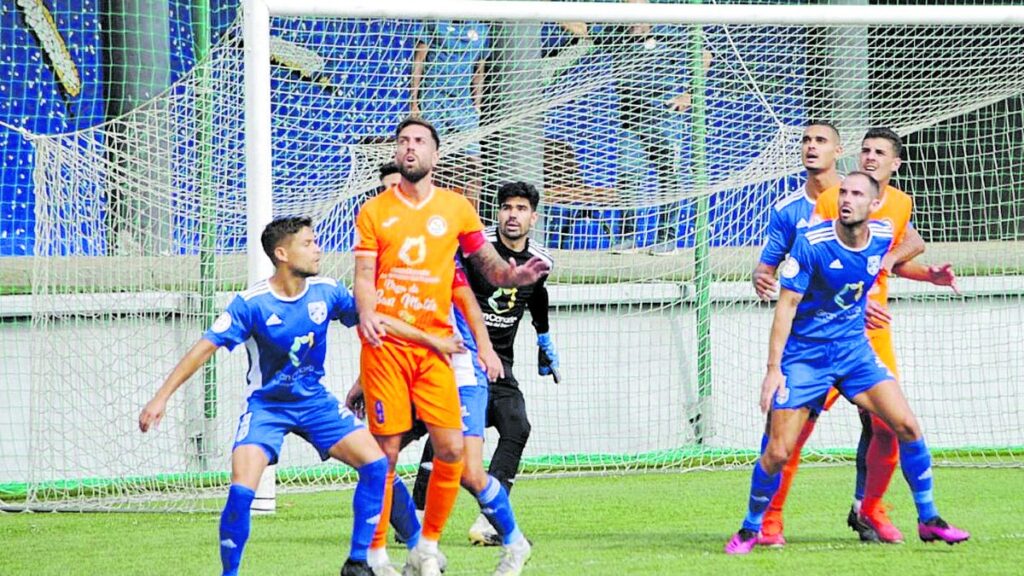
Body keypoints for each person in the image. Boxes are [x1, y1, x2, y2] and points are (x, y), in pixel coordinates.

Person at [137, 216, 463, 576]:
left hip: (315, 403)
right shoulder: (251, 304)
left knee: (376, 465)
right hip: (267, 407)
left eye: (315, 241)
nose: (317, 249)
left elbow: (377, 320)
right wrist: (160, 398)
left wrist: (432, 340)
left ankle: (374, 558)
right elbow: (203, 348)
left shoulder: (328, 291)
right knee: (241, 492)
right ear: (282, 253)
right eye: (308, 243)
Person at [725, 171, 970, 555]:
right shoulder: (810, 244)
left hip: (854, 352)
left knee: (905, 425)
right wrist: (773, 370)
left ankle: (928, 518)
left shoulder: (882, 237)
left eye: (857, 194)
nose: (847, 199)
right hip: (806, 356)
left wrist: (928, 276)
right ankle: (750, 527)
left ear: (874, 206)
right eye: (844, 192)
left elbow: (905, 250)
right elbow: (786, 307)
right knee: (777, 451)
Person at [353, 117, 549, 576]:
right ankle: (394, 550)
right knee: (384, 455)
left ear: (435, 155)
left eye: (418, 141)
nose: (409, 148)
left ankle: (489, 540)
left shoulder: (455, 223)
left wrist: (488, 344)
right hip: (393, 353)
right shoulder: (376, 216)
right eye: (402, 142)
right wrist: (361, 370)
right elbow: (366, 286)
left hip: (452, 360)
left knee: (462, 461)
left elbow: (476, 293)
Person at [348, 257, 532, 576]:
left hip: (459, 374)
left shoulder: (443, 256)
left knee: (470, 473)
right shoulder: (385, 263)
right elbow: (383, 327)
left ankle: (514, 543)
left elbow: (470, 304)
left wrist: (486, 348)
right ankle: (413, 548)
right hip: (410, 374)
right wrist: (362, 382)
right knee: (376, 463)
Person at [407, 181, 556, 547]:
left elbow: (538, 294)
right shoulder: (474, 249)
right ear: (497, 212)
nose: (512, 215)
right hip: (459, 355)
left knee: (517, 426)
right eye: (506, 207)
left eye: (521, 209)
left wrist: (543, 337)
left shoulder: (540, 262)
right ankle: (416, 516)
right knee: (445, 434)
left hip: (499, 363)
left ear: (533, 217)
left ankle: (489, 521)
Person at [607, 0, 713, 254]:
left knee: (669, 175)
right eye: (626, 10)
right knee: (628, 175)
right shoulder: (614, 34)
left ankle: (667, 238)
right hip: (630, 118)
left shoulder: (669, 31)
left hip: (664, 116)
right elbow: (582, 30)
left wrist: (689, 94)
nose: (631, 18)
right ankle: (627, 237)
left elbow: (705, 54)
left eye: (636, 11)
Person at [410, 21, 489, 205]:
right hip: (434, 100)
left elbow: (479, 68)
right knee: (430, 161)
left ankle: (472, 221)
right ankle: (425, 212)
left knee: (475, 163)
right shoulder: (435, 22)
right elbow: (419, 59)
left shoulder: (482, 29)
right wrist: (414, 102)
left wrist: (477, 105)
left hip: (463, 106)